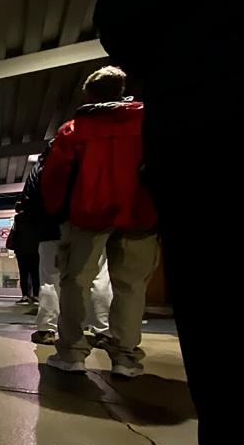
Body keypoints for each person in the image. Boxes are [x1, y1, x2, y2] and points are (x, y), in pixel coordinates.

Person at [94, 0, 244, 445]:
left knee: (219, 309)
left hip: (207, 122)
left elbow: (124, 9)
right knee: (128, 285)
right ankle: (125, 353)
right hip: (146, 202)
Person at [41, 65, 158, 378]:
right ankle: (125, 357)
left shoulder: (74, 130)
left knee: (75, 281)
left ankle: (72, 353)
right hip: (139, 214)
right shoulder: (147, 122)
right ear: (122, 90)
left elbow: (55, 178)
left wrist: (57, 213)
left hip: (87, 215)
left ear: (89, 94)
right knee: (131, 286)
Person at [21, 141, 113, 345]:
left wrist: (35, 228)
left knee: (50, 279)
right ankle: (102, 330)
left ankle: (47, 329)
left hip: (50, 231)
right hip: (89, 227)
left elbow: (28, 201)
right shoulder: (90, 160)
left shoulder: (41, 167)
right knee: (98, 276)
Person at [6, 202, 39, 304]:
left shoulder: (18, 219)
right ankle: (36, 296)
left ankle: (24, 296)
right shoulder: (35, 218)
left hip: (21, 251)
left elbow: (15, 233)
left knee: (23, 274)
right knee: (35, 274)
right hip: (34, 250)